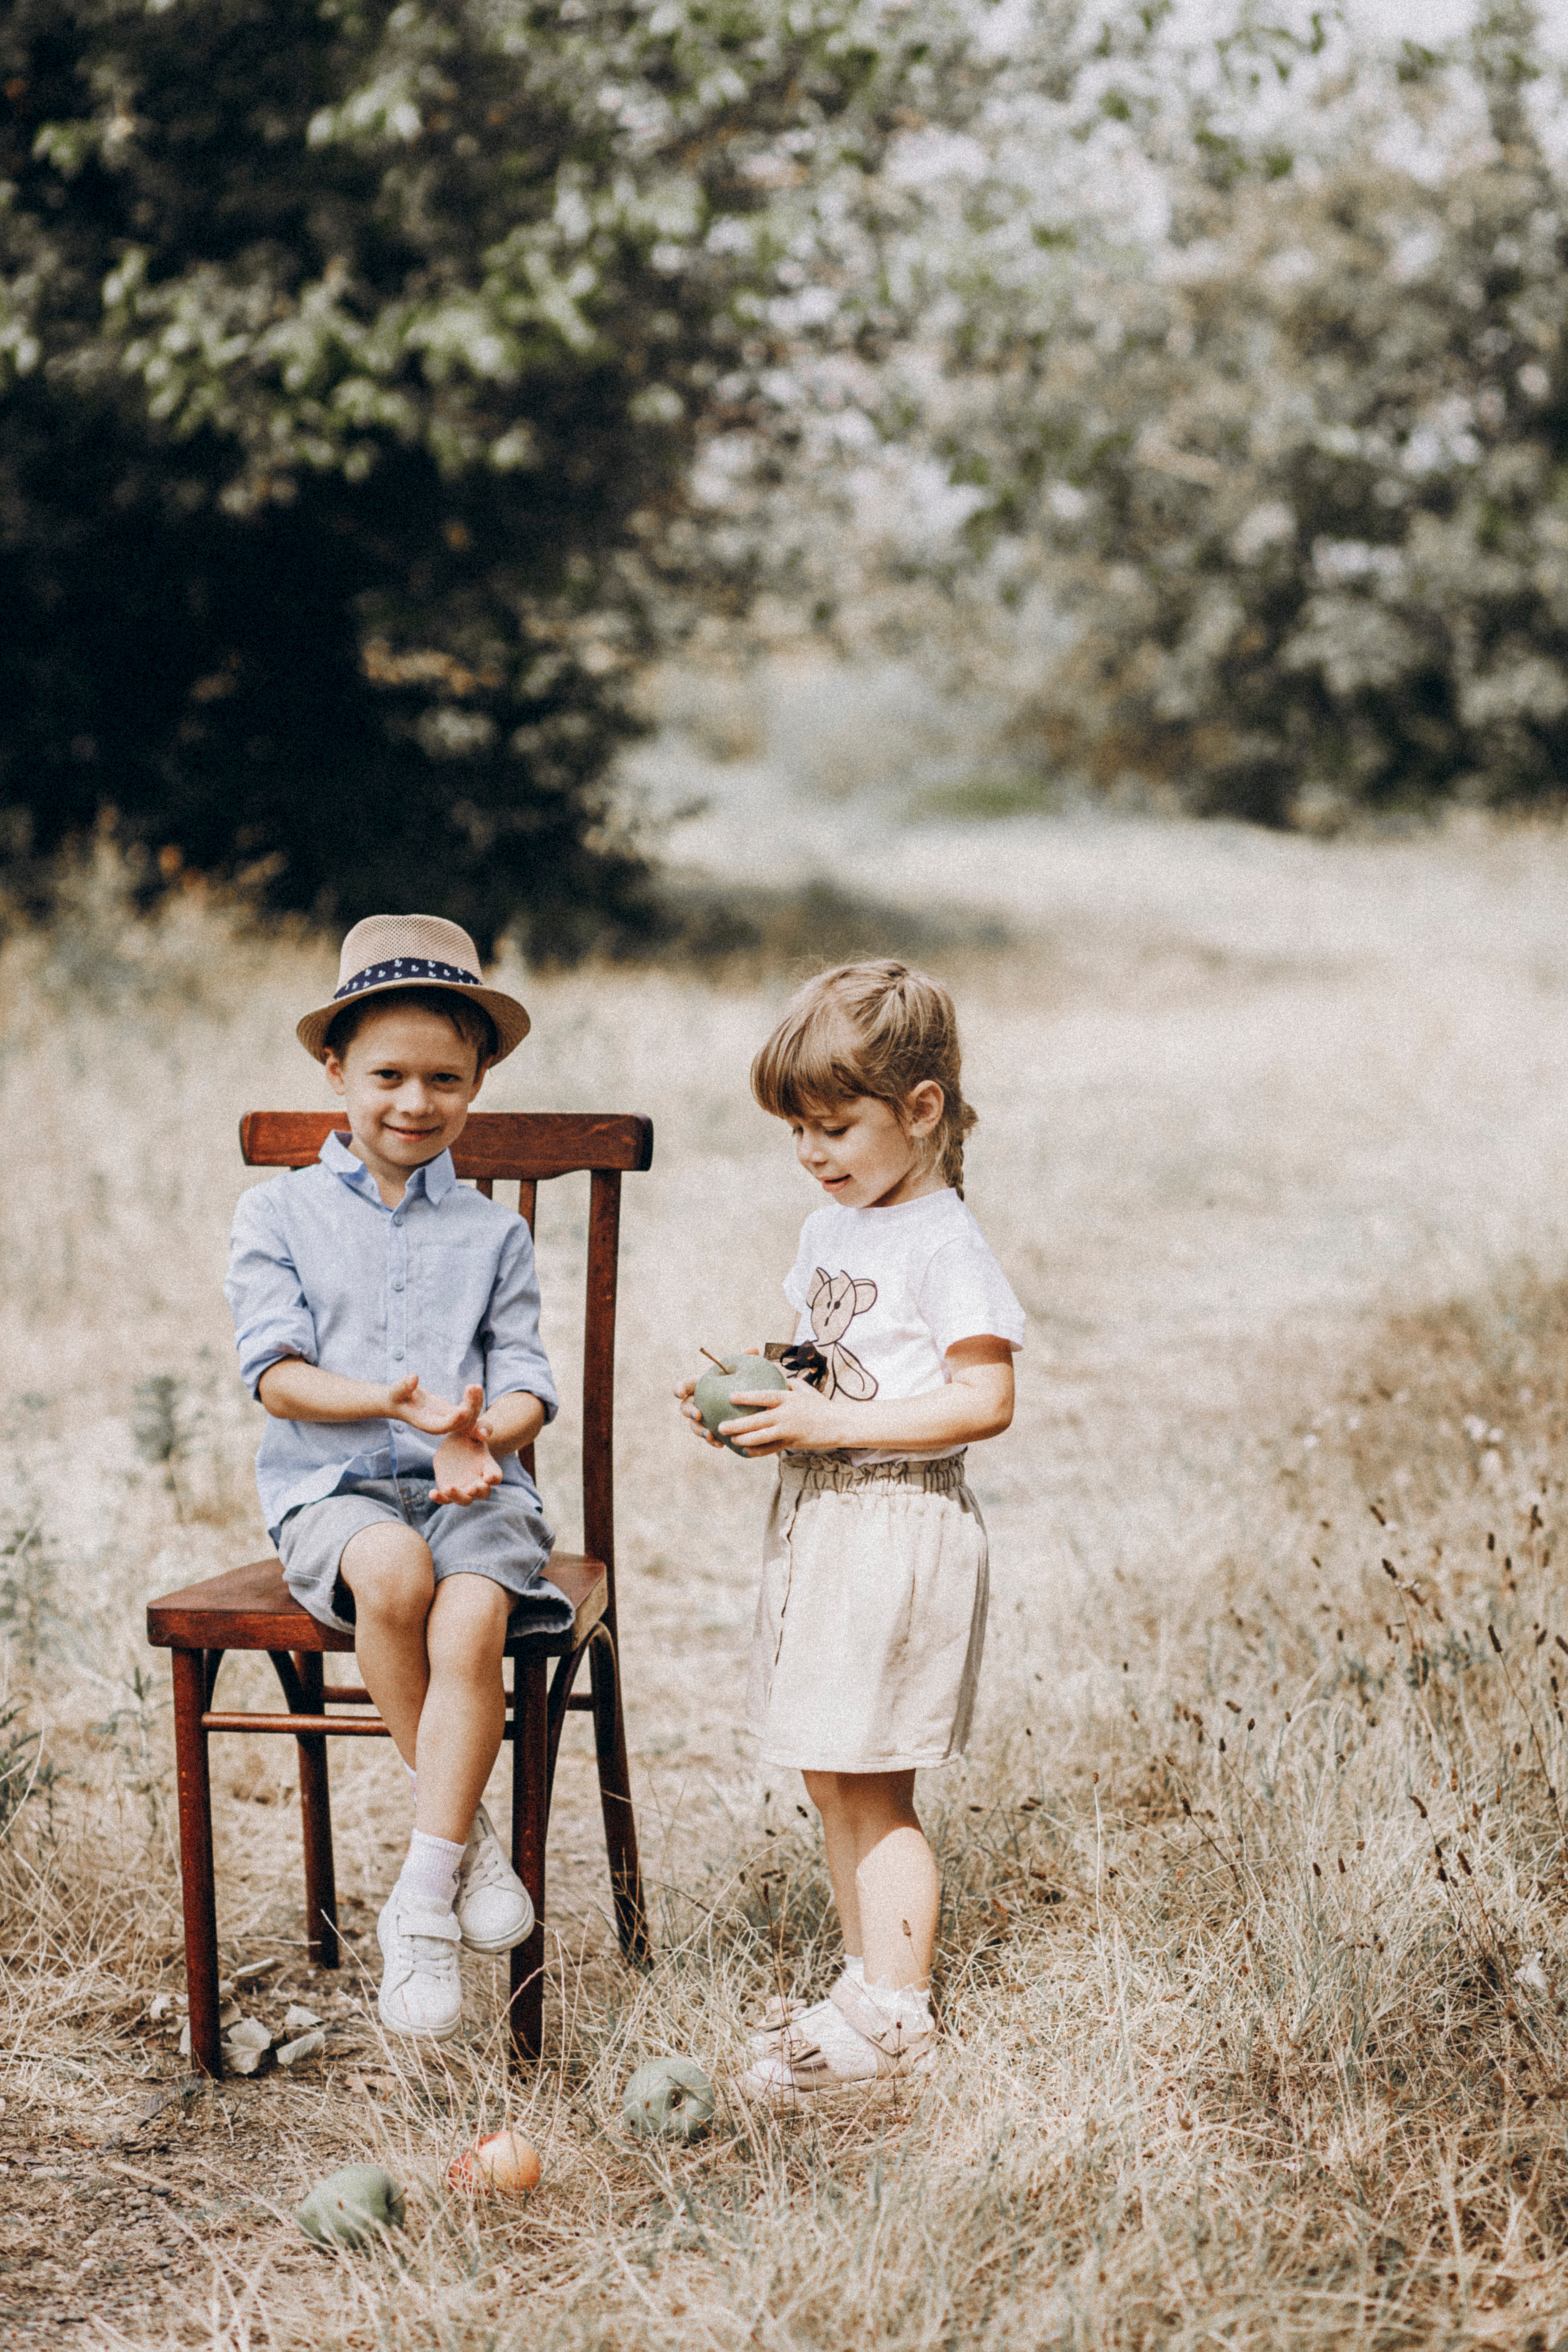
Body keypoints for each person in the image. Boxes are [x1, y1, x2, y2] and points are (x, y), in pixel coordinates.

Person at [675, 960, 1024, 2101]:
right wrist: (755, 1387)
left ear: (920, 1111)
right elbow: (825, 1363)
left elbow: (983, 1402)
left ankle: (902, 2010)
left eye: (836, 1126)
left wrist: (833, 1418)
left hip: (896, 1525)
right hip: (823, 1516)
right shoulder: (835, 1226)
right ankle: (863, 1978)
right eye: (799, 1132)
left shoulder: (943, 1244)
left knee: (876, 1782)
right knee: (830, 1771)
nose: (814, 1153)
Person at [225, 913, 569, 2043]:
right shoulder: (277, 1212)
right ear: (334, 1068)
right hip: (336, 1495)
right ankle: (463, 1851)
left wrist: (479, 1428)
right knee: (394, 1572)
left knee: (469, 1620)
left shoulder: (491, 1233)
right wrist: (393, 1403)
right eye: (387, 1075)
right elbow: (275, 1378)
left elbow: (525, 1382)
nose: (415, 1103)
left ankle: (418, 1897)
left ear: (477, 1084)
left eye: (445, 1079)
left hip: (476, 1491)